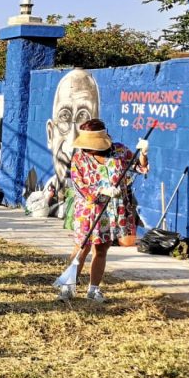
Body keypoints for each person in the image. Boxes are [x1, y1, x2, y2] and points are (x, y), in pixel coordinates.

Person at [59, 118, 149, 304]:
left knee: (101, 249)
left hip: (112, 210)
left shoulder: (120, 151)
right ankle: (68, 286)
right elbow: (79, 187)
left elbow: (140, 168)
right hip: (88, 209)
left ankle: (93, 289)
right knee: (81, 247)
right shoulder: (79, 158)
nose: (88, 149)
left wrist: (143, 153)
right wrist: (101, 191)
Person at [46, 68, 100, 192]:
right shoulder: (42, 199)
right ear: (50, 134)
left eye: (84, 117)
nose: (72, 143)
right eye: (64, 116)